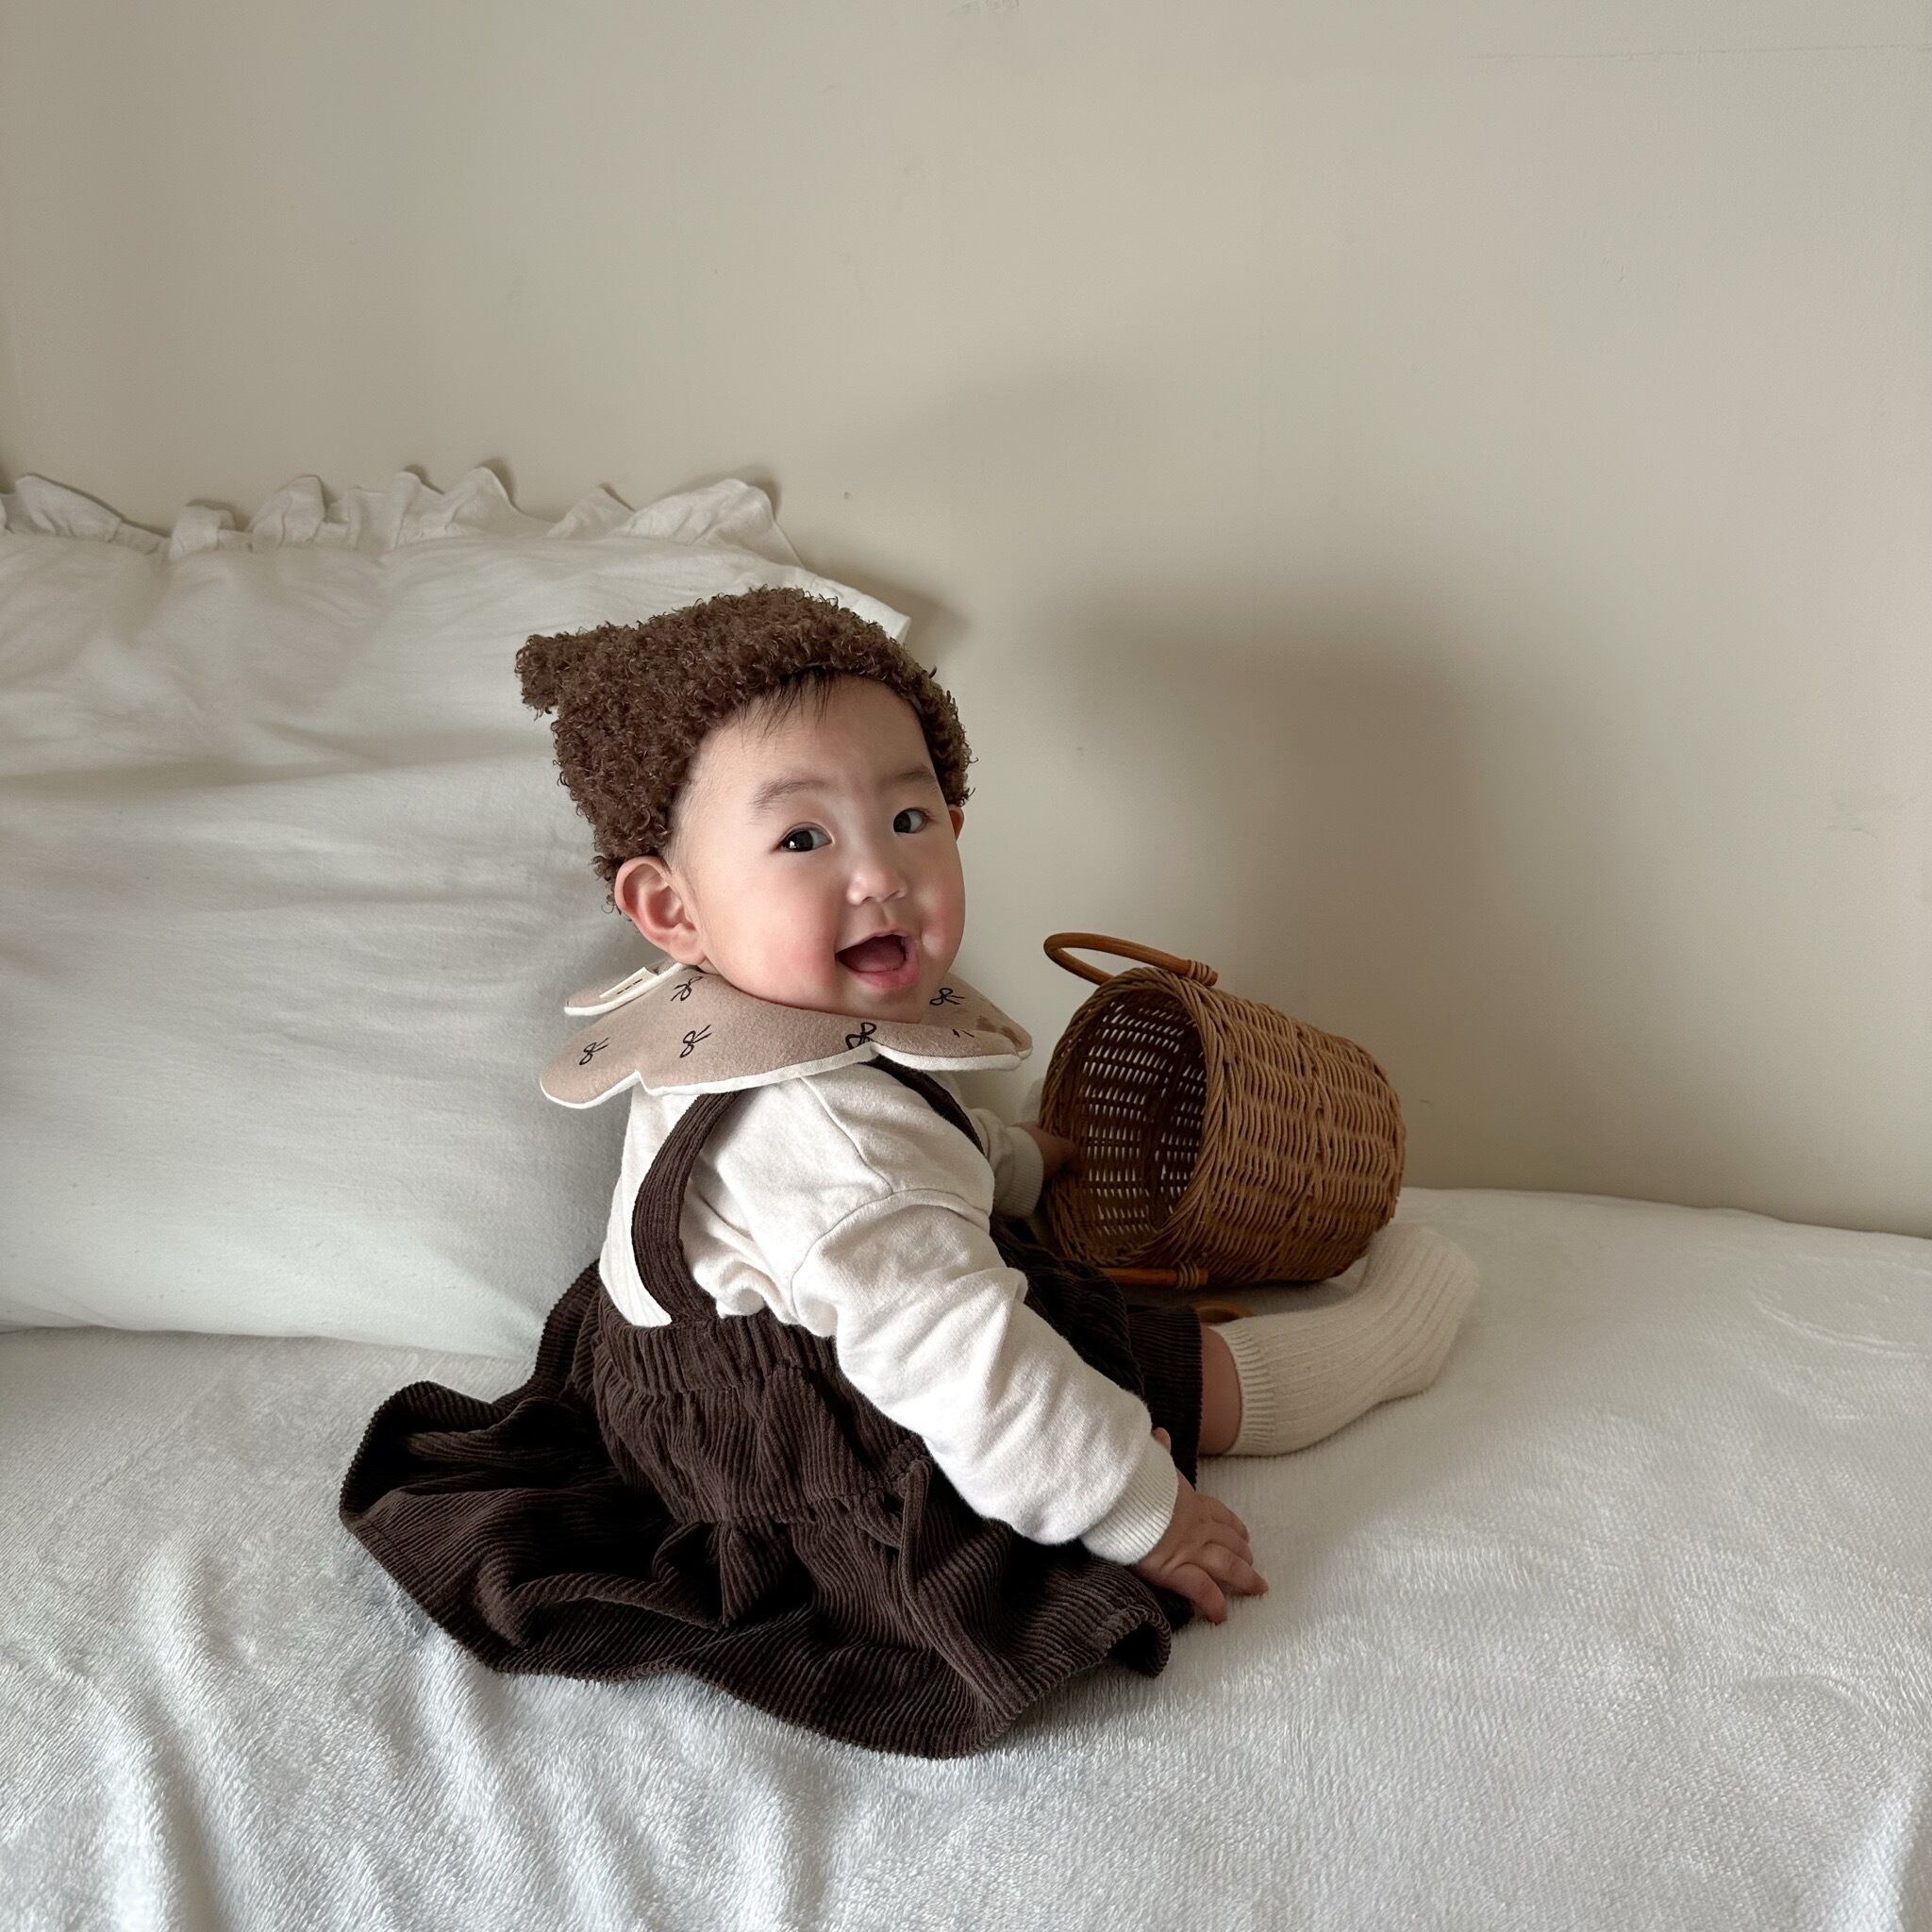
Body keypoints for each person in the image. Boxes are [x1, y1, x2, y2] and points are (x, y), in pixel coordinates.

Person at [340, 584, 1476, 1758]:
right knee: (1148, 1368)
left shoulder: (733, 1021)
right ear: (669, 906)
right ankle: (1384, 1341)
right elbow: (974, 1367)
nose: (878, 873)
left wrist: (1018, 1160)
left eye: (908, 816)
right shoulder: (830, 1146)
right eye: (802, 838)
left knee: (972, 1274)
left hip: (680, 1377)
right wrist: (1147, 1516)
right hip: (828, 1426)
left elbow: (902, 1150)